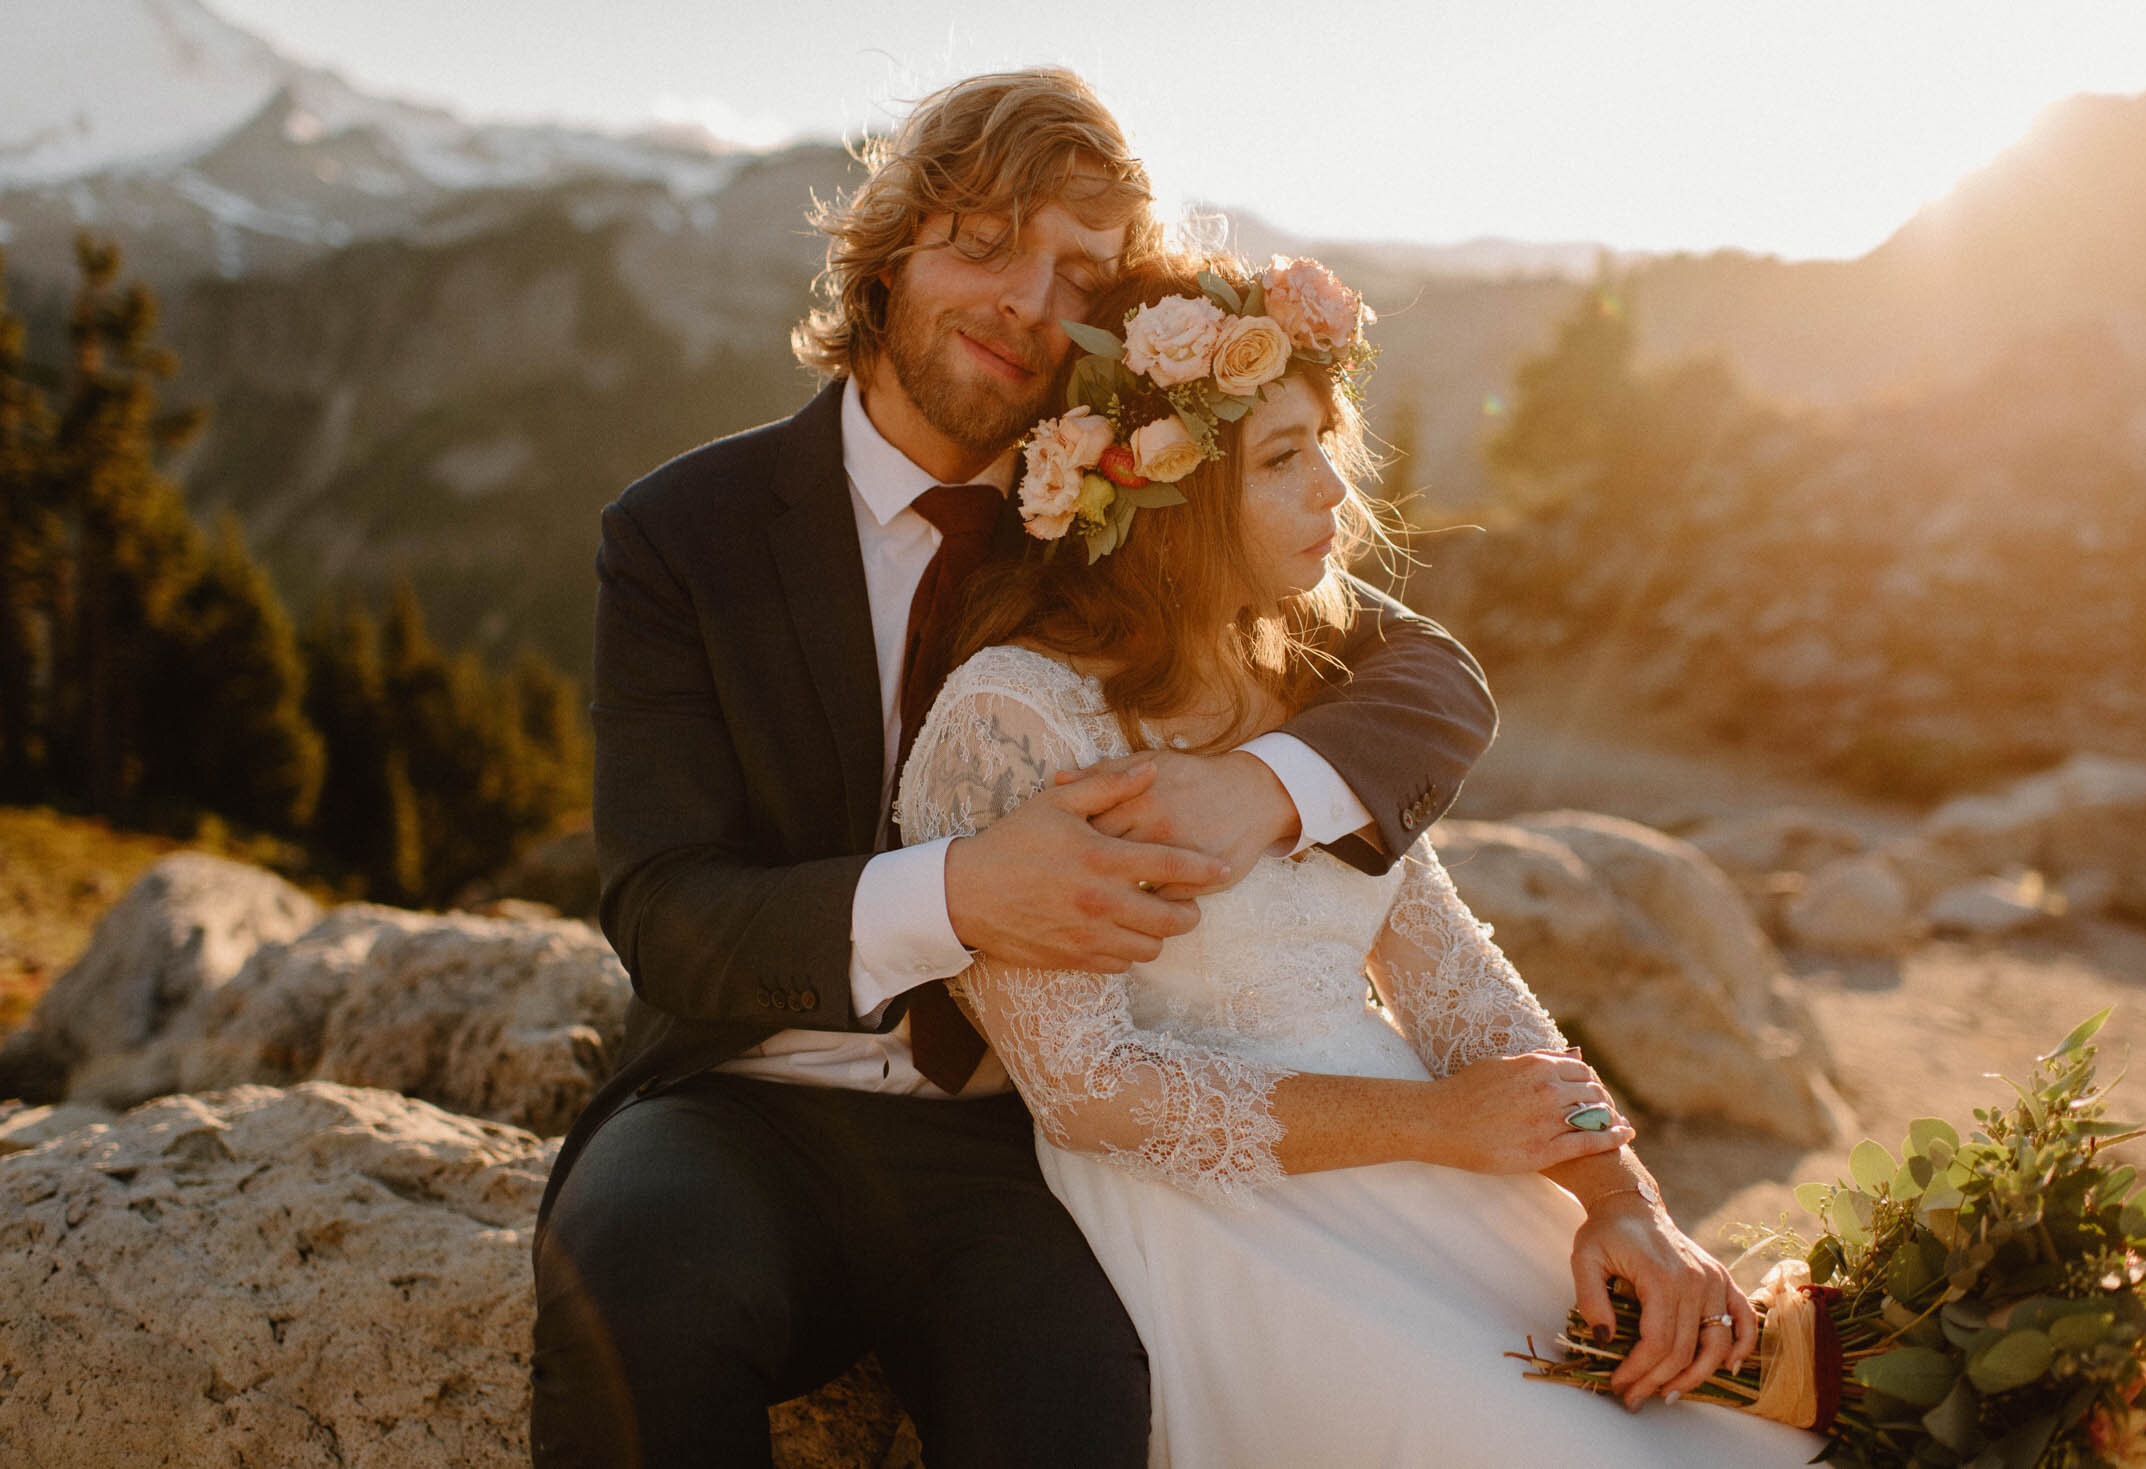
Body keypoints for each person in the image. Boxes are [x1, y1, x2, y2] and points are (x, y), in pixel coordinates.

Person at [529, 70, 1507, 1467]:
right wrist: (964, 893)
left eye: (1079, 275)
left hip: (1029, 1141)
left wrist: (1267, 787)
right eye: (984, 244)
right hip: (739, 1107)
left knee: (1076, 1400)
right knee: (633, 1298)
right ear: (886, 256)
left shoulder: (1116, 513)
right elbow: (669, 909)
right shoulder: (685, 532)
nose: (1026, 304)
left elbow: (1427, 677)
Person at [895, 251, 1827, 1466]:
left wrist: (1620, 1198)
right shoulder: (1017, 720)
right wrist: (1437, 1122)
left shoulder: (1319, 691)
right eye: (1282, 457)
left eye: (1326, 441)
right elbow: (1085, 1085)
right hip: (1224, 1226)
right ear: (1158, 496)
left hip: (1448, 1174)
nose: (1336, 489)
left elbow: (1459, 975)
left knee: (1740, 1436)